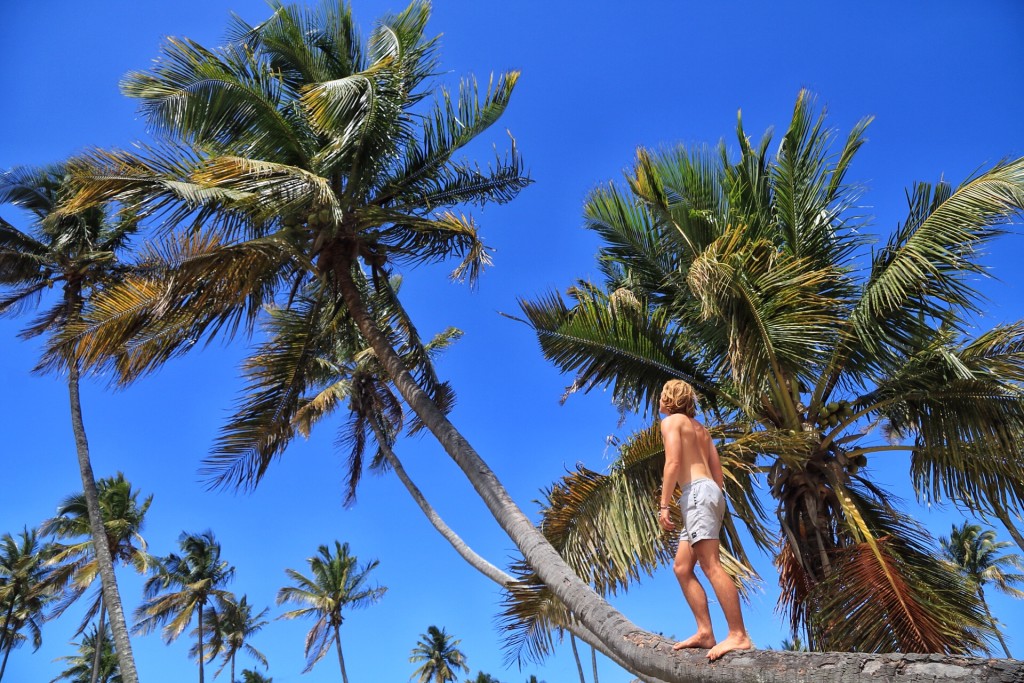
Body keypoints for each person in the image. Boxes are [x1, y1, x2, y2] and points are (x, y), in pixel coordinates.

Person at [657, 379, 753, 660]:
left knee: (710, 565)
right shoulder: (701, 430)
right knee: (682, 567)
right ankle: (705, 632)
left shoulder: (672, 422)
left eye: (662, 395)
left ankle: (738, 635)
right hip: (709, 492)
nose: (659, 400)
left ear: (670, 399)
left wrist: (664, 505)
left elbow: (673, 462)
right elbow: (718, 474)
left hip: (697, 494)